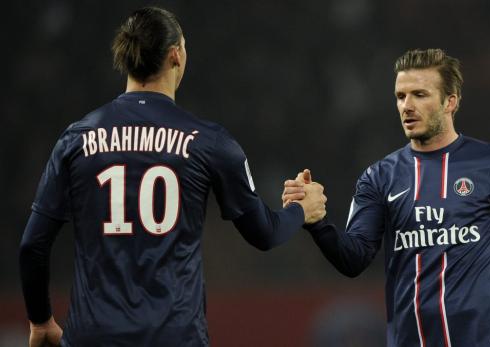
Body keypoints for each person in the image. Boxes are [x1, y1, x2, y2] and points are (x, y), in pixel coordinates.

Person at [19, 7, 326, 347]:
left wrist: (41, 320)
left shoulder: (75, 139)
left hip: (93, 337)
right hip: (174, 337)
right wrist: (302, 209)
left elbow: (33, 246)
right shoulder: (210, 142)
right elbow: (265, 234)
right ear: (176, 55)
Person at [283, 48, 490, 347]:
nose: (407, 106)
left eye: (419, 94)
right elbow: (353, 260)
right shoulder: (379, 177)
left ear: (450, 102)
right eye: (400, 96)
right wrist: (317, 223)